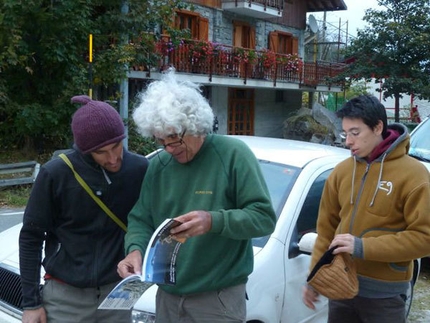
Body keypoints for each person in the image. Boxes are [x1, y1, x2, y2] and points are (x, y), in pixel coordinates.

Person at [117, 71, 277, 323]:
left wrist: (212, 221)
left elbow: (263, 218)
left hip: (217, 298)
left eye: (174, 137)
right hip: (167, 297)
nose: (169, 148)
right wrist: (134, 250)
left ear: (195, 124)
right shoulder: (159, 165)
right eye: (161, 141)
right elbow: (141, 218)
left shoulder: (233, 154)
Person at [19, 95, 149, 323]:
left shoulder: (139, 169)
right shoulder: (56, 174)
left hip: (118, 294)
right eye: (101, 152)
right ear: (85, 150)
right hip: (65, 298)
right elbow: (31, 237)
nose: (112, 158)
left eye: (117, 146)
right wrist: (31, 303)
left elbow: (148, 222)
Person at [302, 95, 430, 323]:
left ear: (378, 127)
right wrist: (315, 278)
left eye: (355, 132)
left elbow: (424, 238)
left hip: (385, 295)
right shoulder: (341, 172)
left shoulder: (415, 174)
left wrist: (363, 247)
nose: (348, 141)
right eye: (345, 133)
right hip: (340, 285)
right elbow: (326, 231)